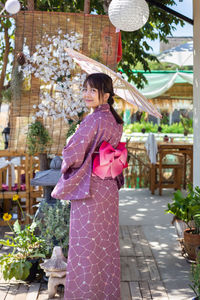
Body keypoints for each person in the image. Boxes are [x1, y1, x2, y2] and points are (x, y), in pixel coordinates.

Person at [51, 73, 127, 300]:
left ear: (105, 95)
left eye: (93, 91)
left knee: (86, 247)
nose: (87, 94)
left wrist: (70, 141)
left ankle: (86, 295)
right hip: (108, 188)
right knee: (104, 247)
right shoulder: (115, 120)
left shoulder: (94, 119)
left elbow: (73, 153)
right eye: (85, 89)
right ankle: (106, 294)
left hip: (90, 189)